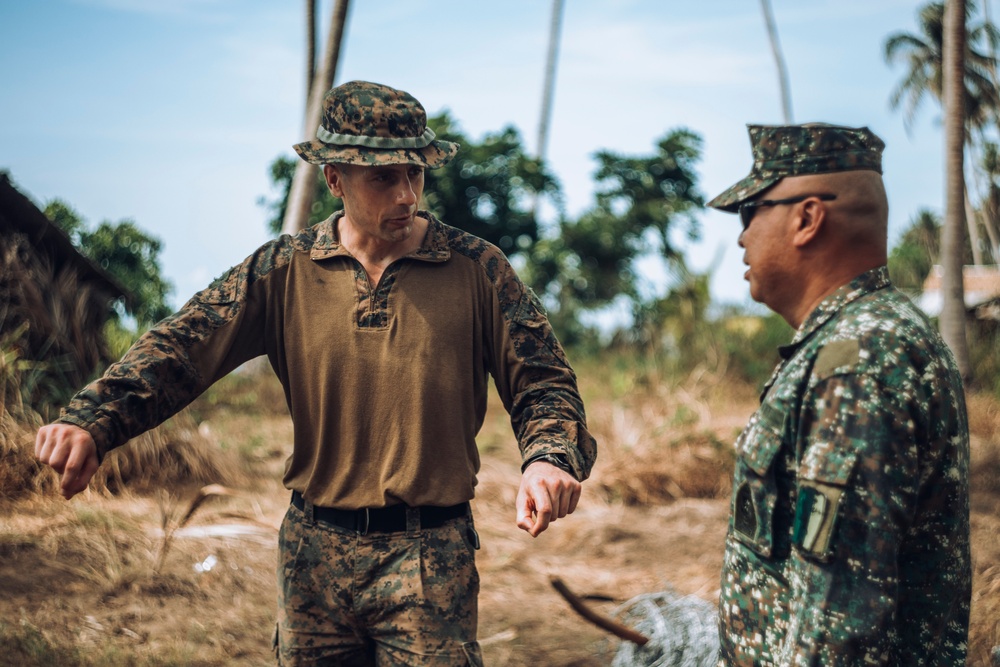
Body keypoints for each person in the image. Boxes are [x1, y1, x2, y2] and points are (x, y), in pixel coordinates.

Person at [34, 80, 597, 666]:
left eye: (416, 173)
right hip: (312, 560)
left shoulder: (477, 269)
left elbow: (544, 379)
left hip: (430, 560)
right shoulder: (283, 270)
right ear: (334, 178)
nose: (406, 193)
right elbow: (183, 347)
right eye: (383, 177)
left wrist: (549, 456)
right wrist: (93, 420)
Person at [706, 123, 971, 666]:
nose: (741, 236)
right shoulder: (858, 341)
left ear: (806, 218)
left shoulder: (859, 361)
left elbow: (839, 621)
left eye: (750, 211)